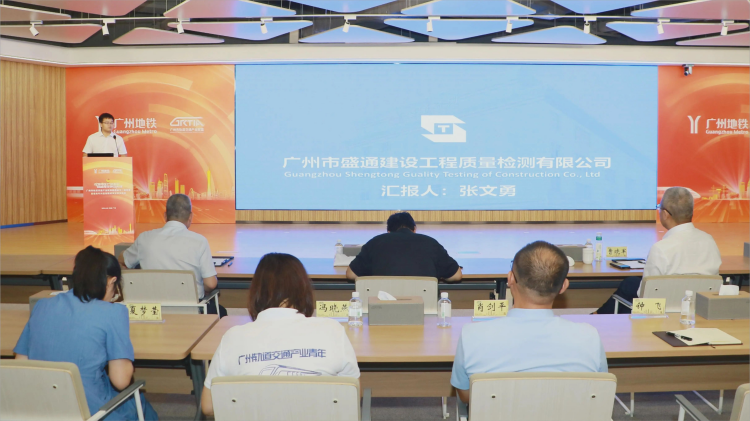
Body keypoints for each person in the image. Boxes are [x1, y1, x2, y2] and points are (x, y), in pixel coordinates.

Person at [201, 253, 360, 416]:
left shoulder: (232, 338)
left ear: (256, 292)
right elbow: (351, 396)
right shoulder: (332, 331)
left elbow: (208, 406)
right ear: (303, 289)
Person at [451, 241, 607, 403]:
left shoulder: (471, 336)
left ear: (510, 278)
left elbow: (467, 397)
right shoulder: (590, 338)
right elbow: (599, 391)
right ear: (563, 286)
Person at [14, 246, 158, 421]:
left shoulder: (42, 306)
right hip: (90, 412)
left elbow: (21, 365)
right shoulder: (113, 312)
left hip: (41, 408)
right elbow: (121, 381)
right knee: (139, 403)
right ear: (111, 281)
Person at [596, 186, 722, 314]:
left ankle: (596, 317)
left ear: (665, 214)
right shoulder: (709, 241)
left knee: (630, 286)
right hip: (699, 310)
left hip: (662, 313)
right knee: (631, 283)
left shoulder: (661, 249)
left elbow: (645, 296)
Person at [122, 193, 226, 317]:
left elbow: (123, 260)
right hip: (191, 313)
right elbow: (211, 284)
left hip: (153, 313)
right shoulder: (199, 241)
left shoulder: (144, 238)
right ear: (190, 217)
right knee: (221, 311)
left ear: (165, 216)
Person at [346, 212, 462, 282]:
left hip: (383, 306)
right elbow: (456, 276)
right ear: (414, 229)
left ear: (388, 231)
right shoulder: (430, 243)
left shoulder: (375, 242)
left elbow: (351, 274)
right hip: (425, 307)